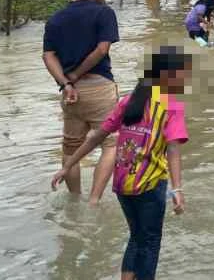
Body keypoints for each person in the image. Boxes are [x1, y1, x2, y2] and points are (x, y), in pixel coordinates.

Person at [52, 47, 191, 280]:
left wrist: (68, 165)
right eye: (182, 74)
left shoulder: (130, 100)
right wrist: (177, 189)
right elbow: (174, 150)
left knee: (136, 236)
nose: (185, 79)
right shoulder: (171, 106)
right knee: (150, 241)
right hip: (150, 184)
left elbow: (96, 137)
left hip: (123, 185)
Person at [41, 0, 120, 204]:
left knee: (70, 149)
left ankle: (74, 201)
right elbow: (102, 49)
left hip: (70, 94)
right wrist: (75, 75)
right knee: (111, 144)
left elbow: (48, 55)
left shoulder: (56, 17)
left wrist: (66, 83)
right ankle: (94, 200)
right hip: (98, 87)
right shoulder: (103, 12)